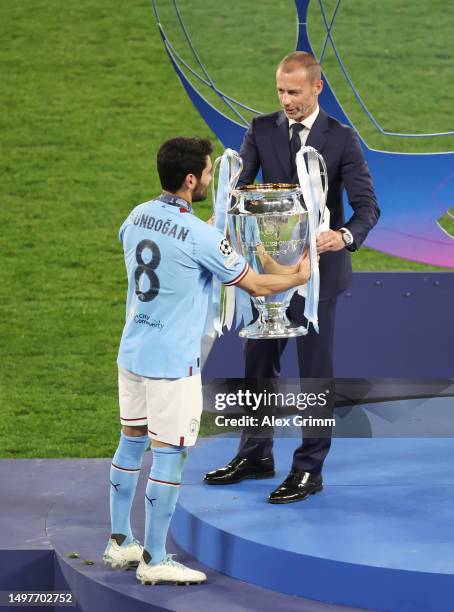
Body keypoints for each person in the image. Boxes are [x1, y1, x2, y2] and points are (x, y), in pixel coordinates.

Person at [102, 137, 313, 584]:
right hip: (173, 363)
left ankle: (119, 543)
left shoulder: (136, 215)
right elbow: (255, 285)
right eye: (208, 174)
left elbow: (159, 241)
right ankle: (156, 559)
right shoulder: (201, 238)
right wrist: (299, 274)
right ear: (191, 179)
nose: (211, 180)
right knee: (170, 455)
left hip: (133, 351)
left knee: (131, 441)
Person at [204, 51, 380, 503]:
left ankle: (309, 468)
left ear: (316, 88)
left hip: (318, 274)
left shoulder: (341, 138)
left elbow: (367, 209)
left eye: (295, 92)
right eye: (281, 91)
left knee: (314, 373)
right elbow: (238, 187)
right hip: (270, 275)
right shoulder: (261, 130)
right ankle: (256, 453)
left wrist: (343, 236)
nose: (286, 100)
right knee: (257, 364)